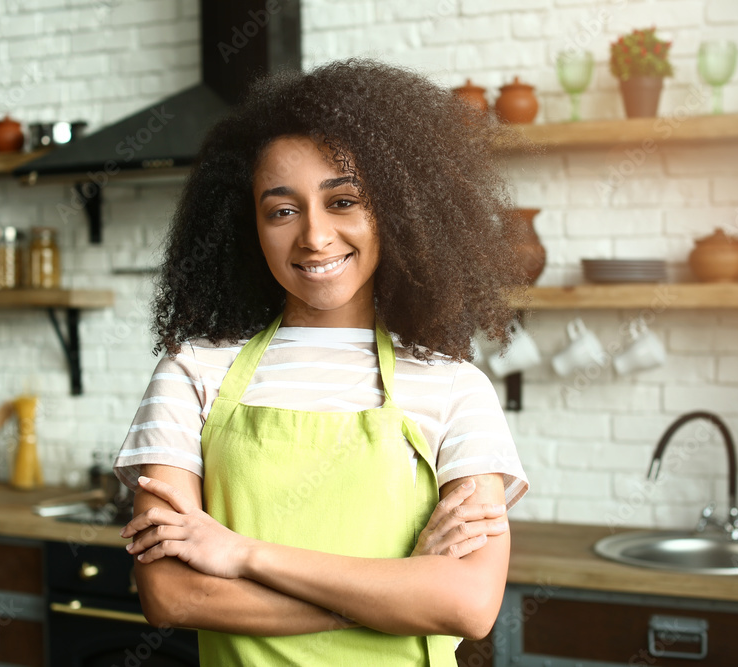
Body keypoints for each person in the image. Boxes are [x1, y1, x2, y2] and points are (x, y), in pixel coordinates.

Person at [114, 58, 529, 666]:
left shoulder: (453, 387)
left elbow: (467, 603)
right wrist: (398, 587)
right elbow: (174, 595)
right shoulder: (192, 374)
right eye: (282, 210)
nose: (313, 236)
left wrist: (242, 555)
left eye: (344, 201)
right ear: (247, 225)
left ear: (396, 210)